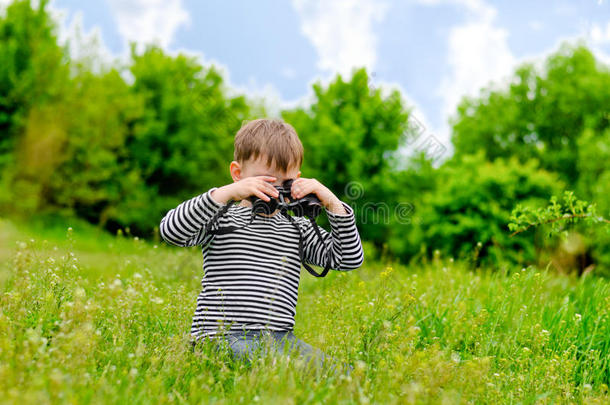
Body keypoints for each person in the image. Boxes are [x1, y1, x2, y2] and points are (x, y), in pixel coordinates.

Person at [159, 118, 364, 374]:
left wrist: (331, 201)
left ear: (297, 180)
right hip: (220, 336)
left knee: (344, 374)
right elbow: (171, 231)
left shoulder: (296, 228)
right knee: (278, 367)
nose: (274, 192)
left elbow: (348, 259)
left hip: (280, 339)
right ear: (238, 174)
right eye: (265, 182)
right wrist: (225, 193)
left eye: (284, 184)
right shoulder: (222, 217)